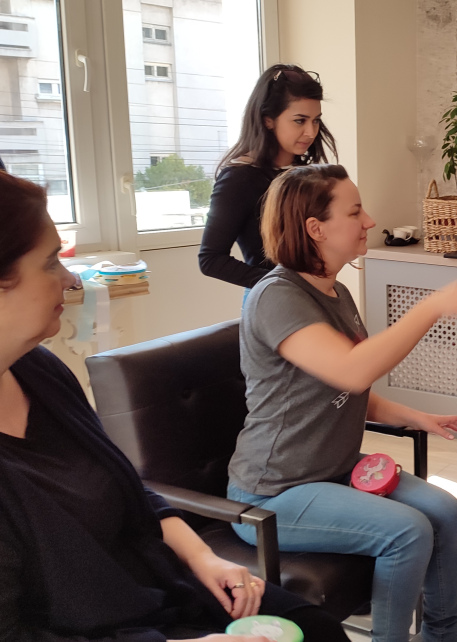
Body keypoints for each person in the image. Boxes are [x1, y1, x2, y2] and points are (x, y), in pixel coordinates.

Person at [0, 170, 350, 641]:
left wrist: (203, 558)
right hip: (108, 628)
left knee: (317, 628)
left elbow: (131, 492)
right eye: (49, 263)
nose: (70, 278)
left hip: (162, 583)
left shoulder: (39, 371)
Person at [227, 164, 457, 642]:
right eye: (354, 212)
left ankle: (442, 636)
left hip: (333, 470)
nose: (369, 221)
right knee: (409, 531)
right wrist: (435, 304)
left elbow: (348, 389)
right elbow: (354, 369)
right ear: (316, 228)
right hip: (274, 493)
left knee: (447, 513)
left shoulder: (336, 292)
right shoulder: (275, 297)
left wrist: (416, 417)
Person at [199, 64, 335, 290]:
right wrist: (283, 285)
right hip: (274, 298)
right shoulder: (239, 178)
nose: (311, 132)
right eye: (300, 120)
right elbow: (210, 260)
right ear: (268, 120)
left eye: (316, 120)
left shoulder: (307, 173)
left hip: (315, 293)